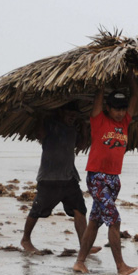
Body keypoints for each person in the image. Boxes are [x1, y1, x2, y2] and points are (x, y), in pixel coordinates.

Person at [73, 71, 138, 275]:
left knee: (95, 221)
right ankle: (121, 267)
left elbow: (136, 96)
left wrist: (131, 81)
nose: (119, 112)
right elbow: (98, 101)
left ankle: (80, 262)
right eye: (116, 108)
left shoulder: (125, 122)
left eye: (122, 109)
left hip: (113, 179)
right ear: (108, 108)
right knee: (115, 220)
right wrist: (101, 83)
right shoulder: (99, 120)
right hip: (98, 177)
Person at [21, 101, 101, 255]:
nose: (72, 117)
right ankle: (25, 239)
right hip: (49, 178)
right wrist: (40, 118)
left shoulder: (73, 129)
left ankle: (85, 245)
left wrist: (84, 128)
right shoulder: (50, 125)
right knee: (37, 210)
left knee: (79, 210)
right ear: (60, 113)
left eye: (74, 115)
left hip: (70, 177)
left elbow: (82, 146)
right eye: (69, 114)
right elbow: (39, 135)